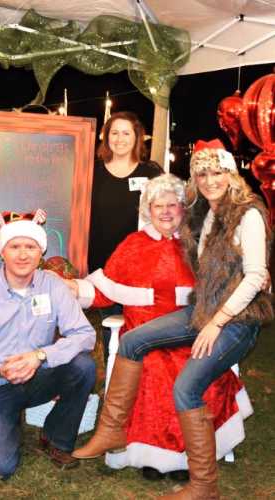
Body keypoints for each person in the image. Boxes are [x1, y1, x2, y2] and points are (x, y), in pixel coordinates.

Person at [73, 140, 273, 500]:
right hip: (199, 314)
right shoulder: (206, 217)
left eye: (217, 171)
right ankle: (112, 430)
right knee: (135, 343)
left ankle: (202, 485)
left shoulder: (247, 213)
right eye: (202, 173)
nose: (210, 179)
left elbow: (254, 275)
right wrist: (70, 286)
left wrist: (217, 321)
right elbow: (106, 286)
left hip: (233, 319)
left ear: (230, 173)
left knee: (184, 384)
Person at [0, 210, 96, 479]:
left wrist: (40, 355)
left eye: (30, 247)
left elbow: (85, 334)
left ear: (40, 252)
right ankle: (3, 420)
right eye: (14, 246)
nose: (22, 254)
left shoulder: (52, 286)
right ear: (2, 252)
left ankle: (56, 437)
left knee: (83, 366)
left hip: (37, 374)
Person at [88, 111, 162, 361]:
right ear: (106, 136)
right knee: (111, 325)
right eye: (114, 132)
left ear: (137, 137)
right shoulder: (91, 172)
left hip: (142, 267)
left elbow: (169, 214)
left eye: (126, 133)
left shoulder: (151, 172)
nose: (119, 138)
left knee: (141, 326)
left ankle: (144, 382)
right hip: (103, 266)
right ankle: (116, 379)